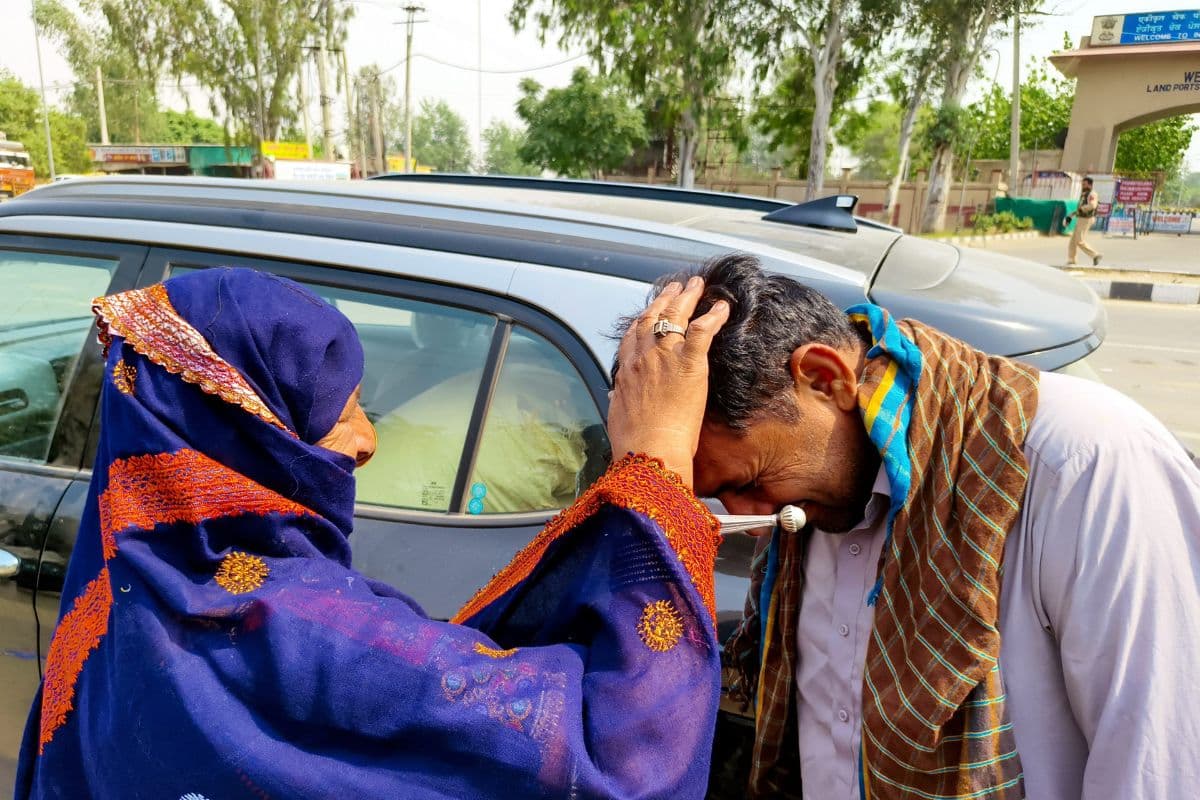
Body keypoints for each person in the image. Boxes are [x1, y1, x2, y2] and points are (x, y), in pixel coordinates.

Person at [17, 267, 731, 799]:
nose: (365, 441)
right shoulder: (293, 634)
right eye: (332, 409)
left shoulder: (108, 609)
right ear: (243, 432)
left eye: (365, 405)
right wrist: (659, 464)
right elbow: (617, 765)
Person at [615, 254, 1200, 800]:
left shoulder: (1079, 464)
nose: (747, 519)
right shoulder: (812, 510)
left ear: (824, 379)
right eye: (717, 498)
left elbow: (1155, 763)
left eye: (749, 482)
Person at [1065, 176, 1103, 266]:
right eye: (1082, 184)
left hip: (1086, 219)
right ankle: (1072, 259)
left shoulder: (1092, 194)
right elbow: (1080, 208)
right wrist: (1072, 215)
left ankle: (1095, 255)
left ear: (1090, 185)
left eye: (1084, 184)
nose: (1083, 186)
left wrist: (1082, 209)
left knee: (1079, 240)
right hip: (1081, 218)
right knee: (1073, 241)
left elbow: (1092, 205)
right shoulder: (1084, 194)